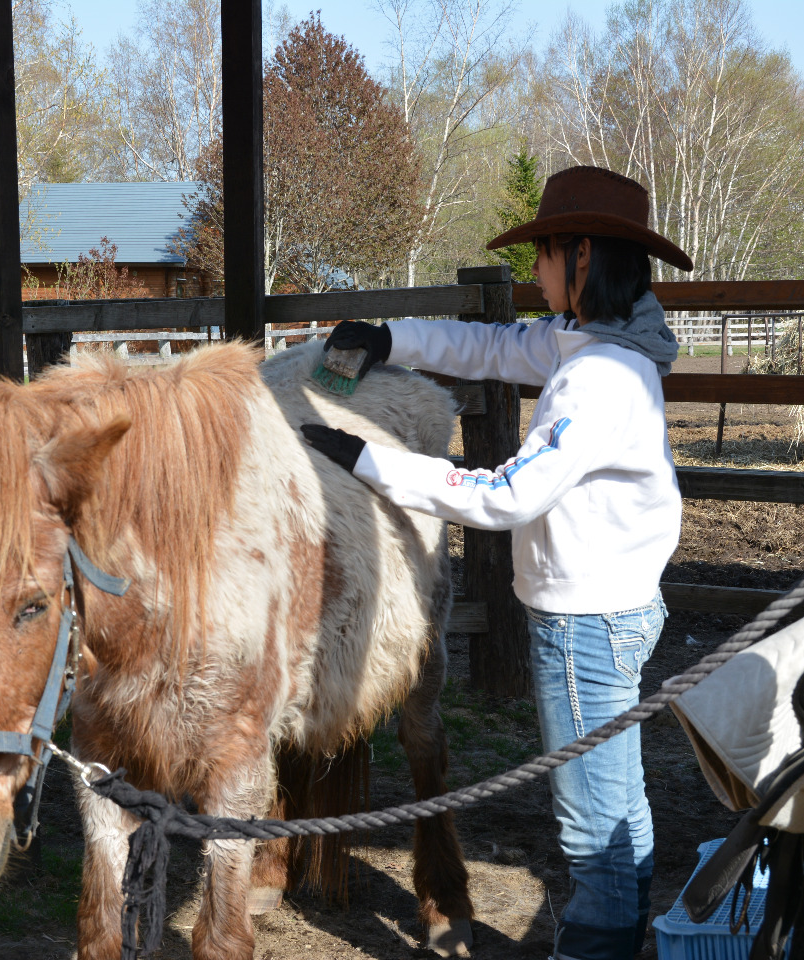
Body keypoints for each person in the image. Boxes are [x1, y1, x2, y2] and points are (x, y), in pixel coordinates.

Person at [300, 164, 692, 960]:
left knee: (590, 820)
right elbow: (490, 346)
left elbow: (509, 495)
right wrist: (390, 338)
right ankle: (623, 938)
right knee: (618, 797)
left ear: (581, 256)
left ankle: (594, 947)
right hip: (609, 608)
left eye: (542, 254)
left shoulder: (600, 378)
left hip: (586, 623)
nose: (532, 272)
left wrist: (365, 459)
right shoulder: (596, 343)